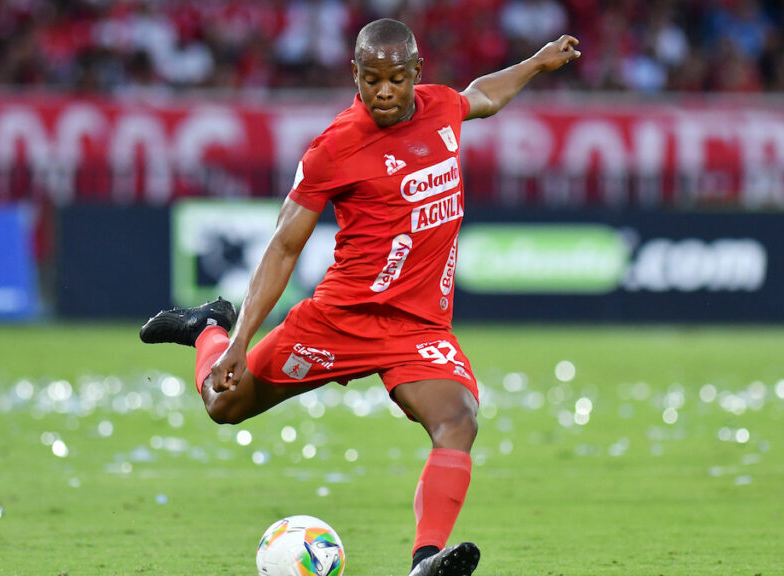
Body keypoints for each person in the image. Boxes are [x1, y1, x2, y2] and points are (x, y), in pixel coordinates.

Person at [141, 18, 579, 576]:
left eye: (396, 78)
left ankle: (426, 562)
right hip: (340, 321)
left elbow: (481, 96)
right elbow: (283, 247)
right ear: (355, 74)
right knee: (223, 406)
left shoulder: (442, 108)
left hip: (418, 330)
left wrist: (537, 62)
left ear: (417, 73)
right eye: (371, 80)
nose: (385, 91)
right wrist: (238, 341)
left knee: (458, 420)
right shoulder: (334, 148)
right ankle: (208, 326)